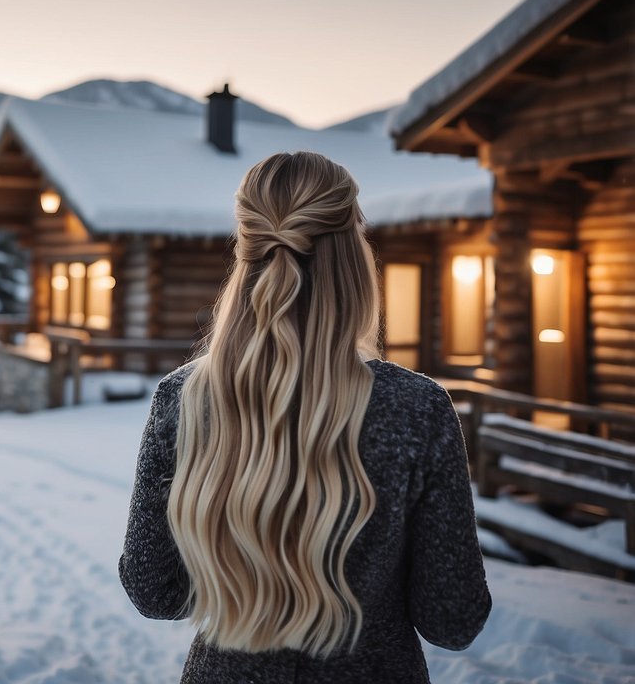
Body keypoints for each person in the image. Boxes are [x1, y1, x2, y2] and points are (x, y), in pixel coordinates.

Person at [119, 151, 491, 683]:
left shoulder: (183, 399)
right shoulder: (417, 409)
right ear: (353, 257)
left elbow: (155, 592)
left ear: (246, 254)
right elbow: (453, 619)